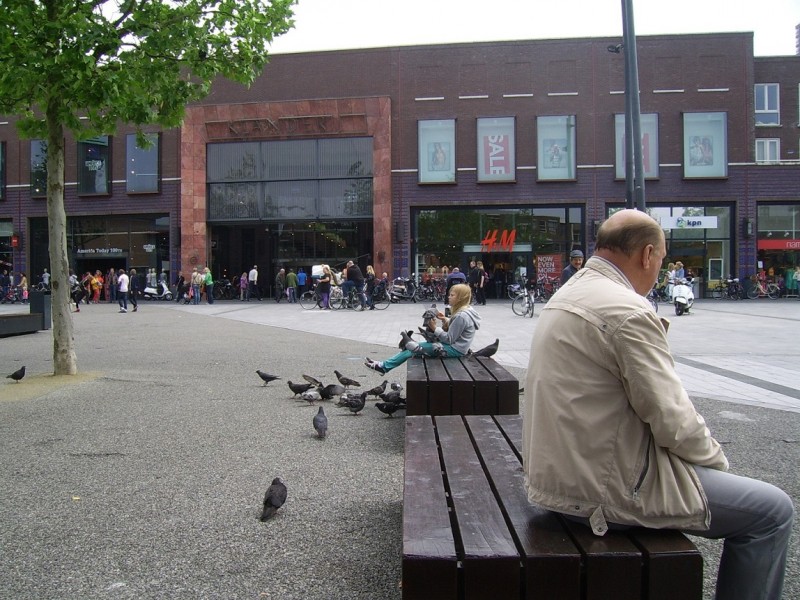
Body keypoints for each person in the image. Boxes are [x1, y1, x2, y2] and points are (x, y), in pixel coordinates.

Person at [522, 209, 794, 600]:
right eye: (662, 260)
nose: (660, 271)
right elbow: (673, 419)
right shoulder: (626, 310)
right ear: (647, 255)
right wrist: (717, 464)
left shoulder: (568, 294)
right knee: (772, 511)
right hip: (599, 492)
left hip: (558, 479)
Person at [365, 283, 480, 374]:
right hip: (459, 347)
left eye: (452, 295)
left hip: (455, 349)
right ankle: (383, 365)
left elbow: (449, 339)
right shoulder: (466, 311)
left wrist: (435, 328)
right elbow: (459, 328)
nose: (449, 297)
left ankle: (383, 366)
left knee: (413, 348)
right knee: (412, 348)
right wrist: (446, 319)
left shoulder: (461, 316)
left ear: (460, 298)